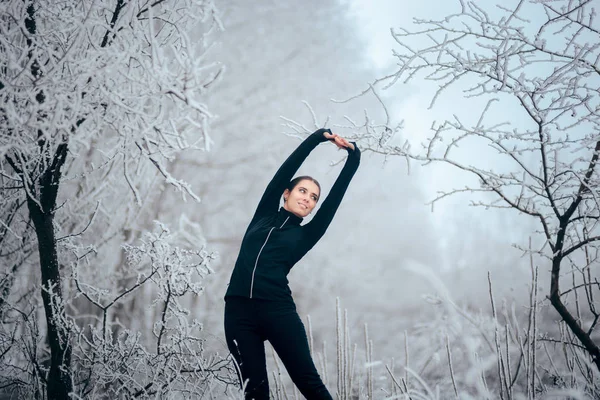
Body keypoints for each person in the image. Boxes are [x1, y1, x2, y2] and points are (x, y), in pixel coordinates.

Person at [224, 128, 360, 400]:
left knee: (310, 384)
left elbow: (336, 197)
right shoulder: (262, 215)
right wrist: (317, 138)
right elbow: (285, 170)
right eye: (302, 191)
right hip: (238, 312)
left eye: (313, 197)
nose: (307, 199)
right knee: (254, 392)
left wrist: (353, 158)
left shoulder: (308, 232)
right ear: (286, 194)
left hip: (278, 312)